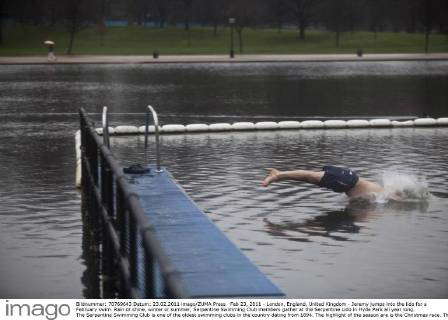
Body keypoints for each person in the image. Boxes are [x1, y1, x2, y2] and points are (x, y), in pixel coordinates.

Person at [262, 166, 385, 200]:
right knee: (310, 176)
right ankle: (278, 175)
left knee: (309, 178)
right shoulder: (384, 194)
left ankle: (279, 175)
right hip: (347, 181)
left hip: (347, 180)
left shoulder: (380, 190)